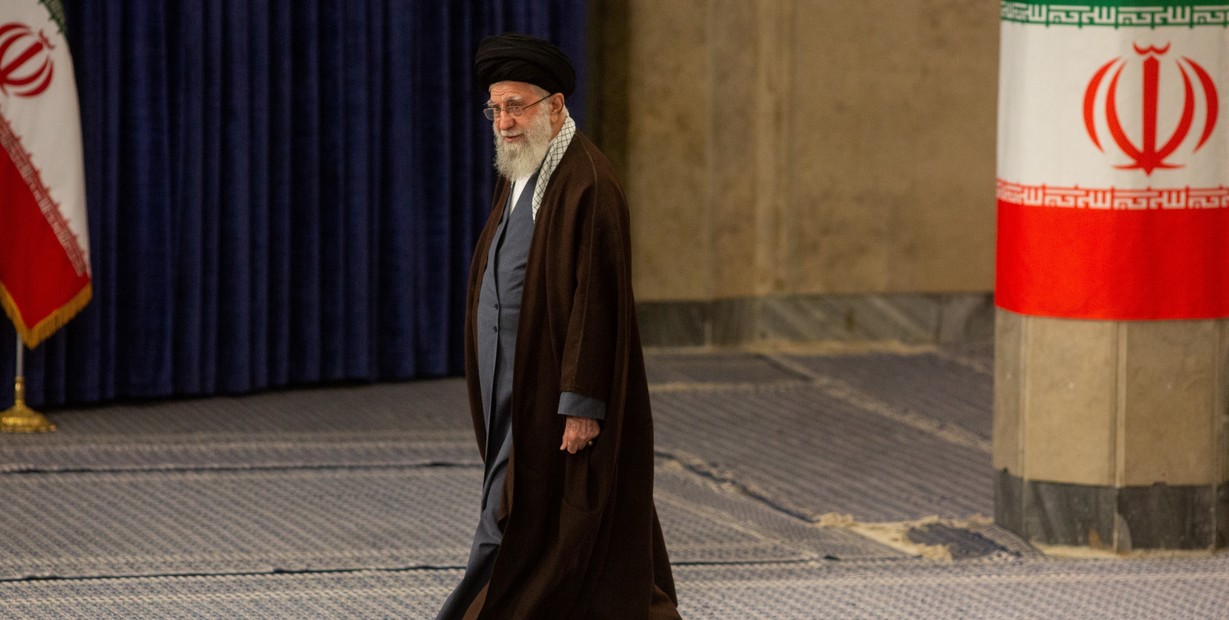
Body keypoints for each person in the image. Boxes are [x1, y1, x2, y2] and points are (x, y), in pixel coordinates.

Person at [436, 33, 681, 619]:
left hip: (551, 390)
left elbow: (598, 301)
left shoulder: (586, 180)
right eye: (495, 109)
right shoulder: (522, 167)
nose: (504, 122)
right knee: (536, 515)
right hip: (511, 380)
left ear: (555, 105)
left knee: (510, 515)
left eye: (516, 106)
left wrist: (582, 403)